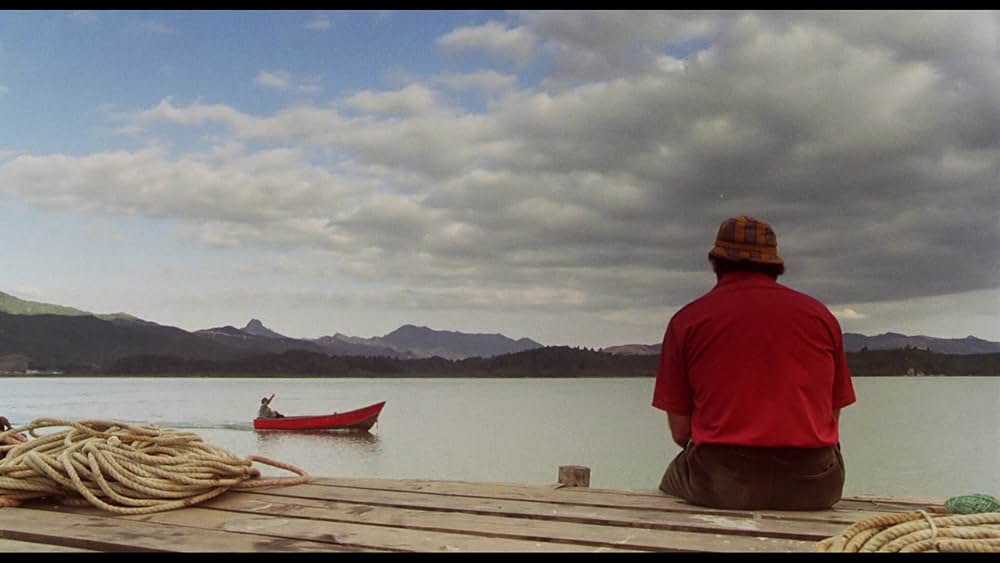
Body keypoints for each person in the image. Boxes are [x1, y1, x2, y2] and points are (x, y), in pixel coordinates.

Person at [652, 215, 856, 510]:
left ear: (715, 263)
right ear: (775, 265)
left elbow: (681, 432)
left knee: (670, 481)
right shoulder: (821, 317)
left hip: (723, 485)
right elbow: (831, 419)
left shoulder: (687, 321)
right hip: (814, 485)